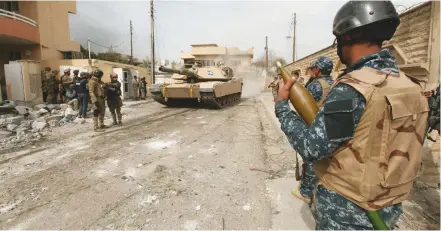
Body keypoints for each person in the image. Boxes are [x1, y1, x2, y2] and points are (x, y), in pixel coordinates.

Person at [275, 1, 428, 229]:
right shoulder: (412, 85)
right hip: (390, 206)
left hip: (349, 210)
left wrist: (282, 107)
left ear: (348, 37)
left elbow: (311, 148)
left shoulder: (354, 88)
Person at [291, 56, 334, 204]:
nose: (310, 72)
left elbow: (304, 104)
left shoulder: (315, 85)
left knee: (311, 159)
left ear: (318, 69)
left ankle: (306, 190)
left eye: (312, 69)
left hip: (314, 124)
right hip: (330, 126)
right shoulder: (334, 82)